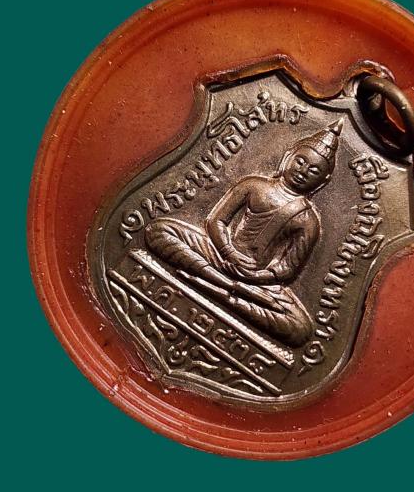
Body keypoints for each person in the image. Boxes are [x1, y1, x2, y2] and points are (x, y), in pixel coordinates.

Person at [145, 119, 343, 347]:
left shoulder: (308, 220)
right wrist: (228, 251)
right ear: (288, 157)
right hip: (217, 255)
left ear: (323, 181)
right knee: (159, 232)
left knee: (300, 328)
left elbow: (286, 269)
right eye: (301, 161)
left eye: (314, 170)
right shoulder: (254, 185)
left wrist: (257, 277)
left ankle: (222, 290)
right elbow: (216, 221)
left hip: (256, 281)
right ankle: (224, 286)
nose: (303, 171)